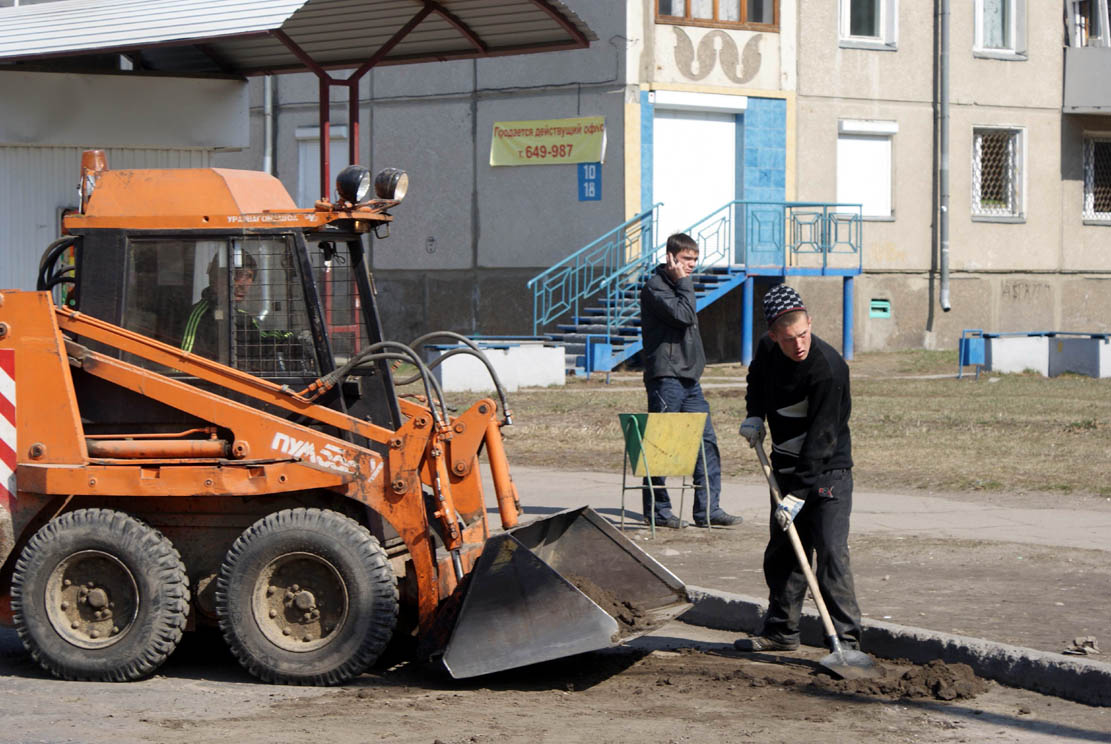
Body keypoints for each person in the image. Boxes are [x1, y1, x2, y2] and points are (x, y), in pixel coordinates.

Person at [734, 284, 863, 653]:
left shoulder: (828, 370)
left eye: (803, 334)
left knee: (831, 556)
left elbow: (823, 438)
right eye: (789, 339)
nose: (799, 344)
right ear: (774, 336)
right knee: (785, 553)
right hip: (786, 469)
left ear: (810, 323)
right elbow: (757, 380)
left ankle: (847, 642)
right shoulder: (767, 350)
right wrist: (755, 414)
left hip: (828, 474)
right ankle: (781, 632)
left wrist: (799, 494)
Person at [638, 233, 742, 529]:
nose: (692, 265)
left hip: (689, 378)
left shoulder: (681, 287)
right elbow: (683, 316)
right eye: (686, 259)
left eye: (695, 259)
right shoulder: (656, 287)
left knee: (706, 442)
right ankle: (658, 511)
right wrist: (683, 282)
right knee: (661, 444)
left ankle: (708, 509)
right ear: (670, 258)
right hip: (666, 377)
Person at [180, 250, 263, 362]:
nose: (243, 285)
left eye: (249, 276)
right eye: (238, 276)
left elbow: (263, 344)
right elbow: (184, 361)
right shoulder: (198, 316)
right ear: (216, 278)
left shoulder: (243, 317)